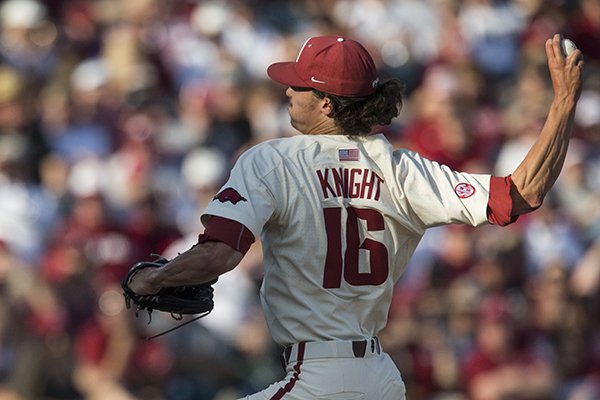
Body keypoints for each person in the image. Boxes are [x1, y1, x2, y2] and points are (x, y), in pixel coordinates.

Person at [127, 34, 583, 399]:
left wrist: (151, 280)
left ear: (326, 104)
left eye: (299, 85)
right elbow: (522, 192)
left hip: (316, 375)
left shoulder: (272, 160)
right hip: (380, 377)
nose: (287, 90)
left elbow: (220, 254)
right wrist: (563, 103)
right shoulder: (403, 169)